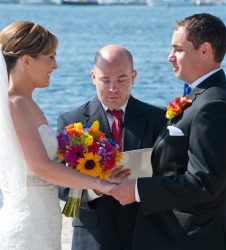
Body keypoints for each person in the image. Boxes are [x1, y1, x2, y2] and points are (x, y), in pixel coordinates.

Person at [109, 13, 226, 250]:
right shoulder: (201, 97)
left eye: (178, 50)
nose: (169, 57)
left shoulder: (215, 106)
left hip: (195, 239)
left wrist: (138, 190)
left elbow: (203, 183)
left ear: (205, 50)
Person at [0, 21, 118, 250]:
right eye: (50, 57)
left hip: (42, 220)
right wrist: (101, 184)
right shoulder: (17, 104)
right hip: (29, 226)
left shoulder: (24, 103)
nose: (55, 65)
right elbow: (41, 167)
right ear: (27, 60)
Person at [58, 44, 167, 250]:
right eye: (105, 80)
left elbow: (170, 176)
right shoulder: (72, 121)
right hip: (94, 237)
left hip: (145, 233)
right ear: (93, 77)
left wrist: (137, 188)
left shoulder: (158, 119)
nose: (113, 88)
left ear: (133, 77)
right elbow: (62, 185)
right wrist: (97, 188)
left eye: (121, 80)